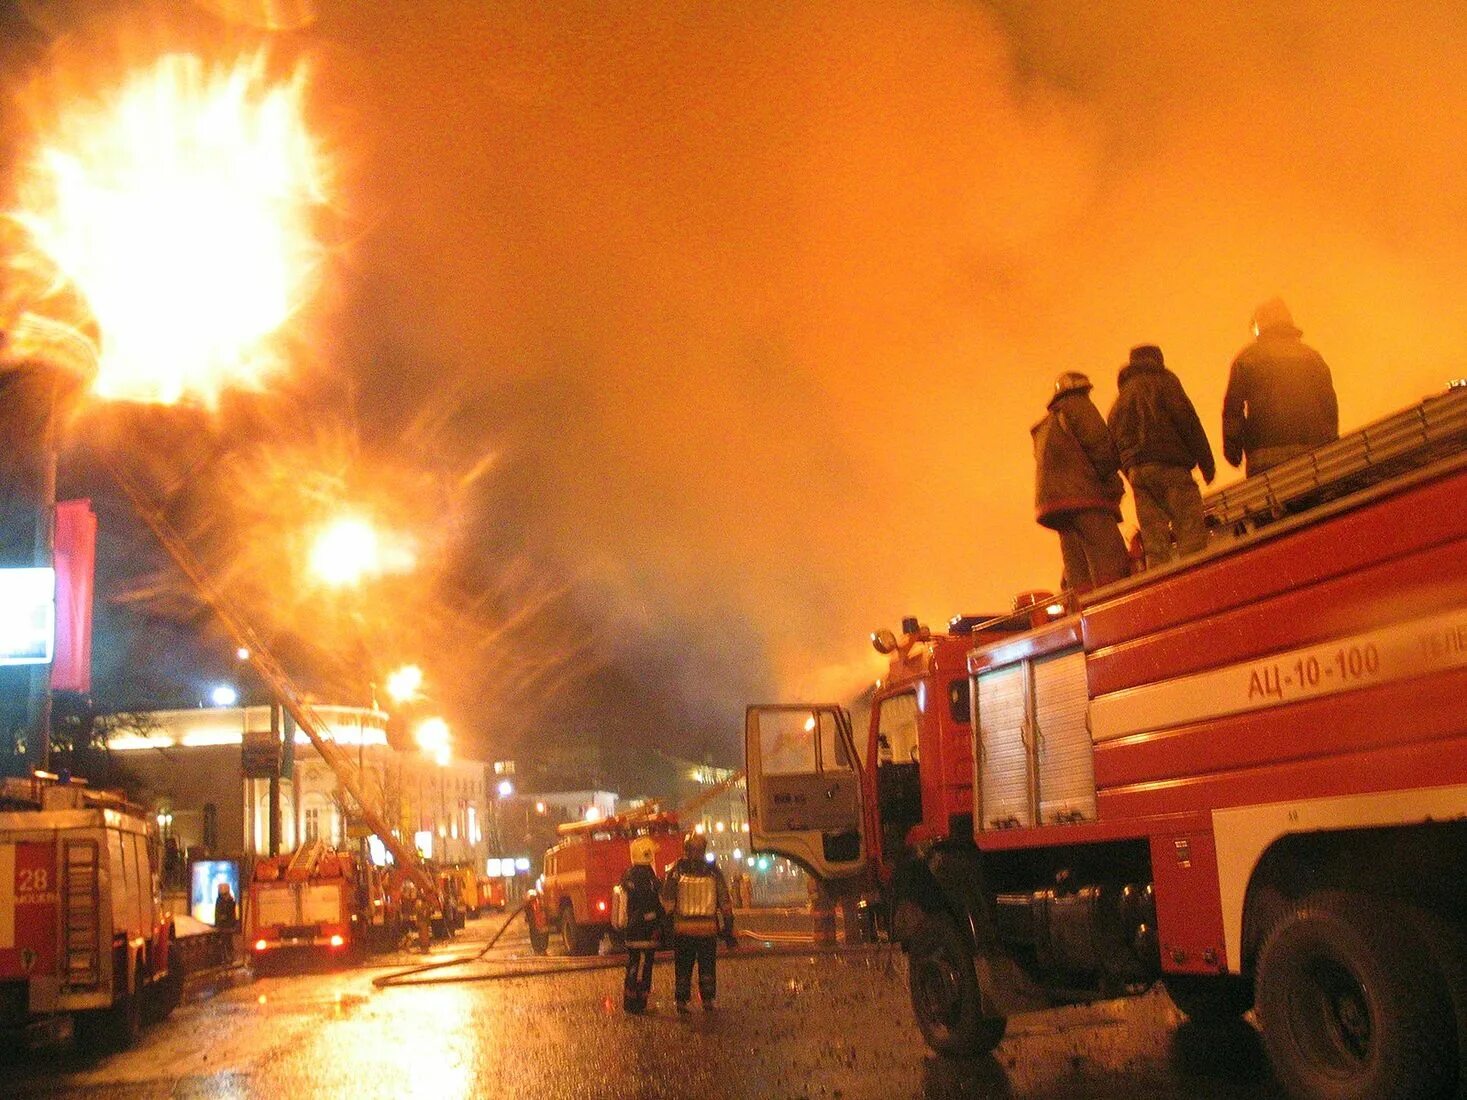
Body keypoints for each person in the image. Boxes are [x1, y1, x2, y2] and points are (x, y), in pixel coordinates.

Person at [1107, 344, 1216, 567]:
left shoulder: (1120, 401)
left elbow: (1112, 446)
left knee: (1155, 544)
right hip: (1172, 468)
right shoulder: (1166, 383)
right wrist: (1207, 464)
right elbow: (1188, 422)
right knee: (1191, 535)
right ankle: (1196, 584)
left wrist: (1130, 471)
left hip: (1139, 476)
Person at [1032, 371, 1131, 592]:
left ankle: (1084, 608)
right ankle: (1114, 604)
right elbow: (1100, 446)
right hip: (1086, 496)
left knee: (1077, 564)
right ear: (1083, 389)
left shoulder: (1049, 424)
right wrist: (1113, 482)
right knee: (1109, 556)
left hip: (1057, 506)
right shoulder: (1078, 406)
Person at [1222, 297, 1338, 477]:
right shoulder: (1312, 357)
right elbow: (1328, 405)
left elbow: (1233, 409)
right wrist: (1330, 443)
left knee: (1270, 502)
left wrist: (1233, 450)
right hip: (1313, 455)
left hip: (1264, 458)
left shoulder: (1247, 358)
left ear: (1260, 324)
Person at [660, 832, 733, 1013]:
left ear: (686, 849)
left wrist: (666, 926)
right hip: (707, 930)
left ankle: (682, 1001)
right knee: (707, 965)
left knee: (683, 967)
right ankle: (708, 999)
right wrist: (728, 926)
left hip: (682, 931)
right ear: (704, 849)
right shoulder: (713, 872)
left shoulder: (676, 871)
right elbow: (724, 901)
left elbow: (667, 901)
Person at [616, 836, 664, 1013]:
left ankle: (629, 1002)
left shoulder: (626, 877)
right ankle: (641, 1002)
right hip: (649, 931)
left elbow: (623, 906)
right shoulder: (653, 881)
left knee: (633, 963)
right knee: (647, 965)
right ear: (648, 855)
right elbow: (661, 904)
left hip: (631, 932)